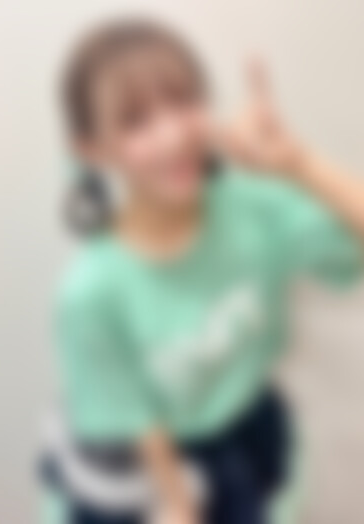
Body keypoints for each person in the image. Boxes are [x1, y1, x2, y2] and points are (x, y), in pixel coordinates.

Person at [40, 19, 364, 524]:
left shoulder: (250, 206)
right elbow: (133, 415)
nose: (173, 136)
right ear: (91, 148)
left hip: (250, 425)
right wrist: (177, 503)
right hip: (152, 460)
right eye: (136, 121)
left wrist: (299, 164)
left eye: (184, 102)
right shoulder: (91, 290)